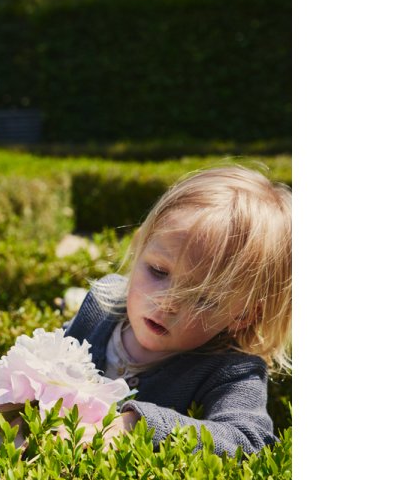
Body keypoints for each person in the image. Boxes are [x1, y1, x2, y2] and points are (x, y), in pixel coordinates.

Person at [62, 165, 292, 458]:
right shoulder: (100, 306)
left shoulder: (231, 371)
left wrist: (136, 425)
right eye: (158, 271)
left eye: (202, 298)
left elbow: (250, 440)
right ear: (140, 246)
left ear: (243, 315)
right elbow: (53, 361)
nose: (166, 303)